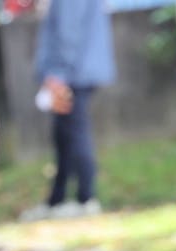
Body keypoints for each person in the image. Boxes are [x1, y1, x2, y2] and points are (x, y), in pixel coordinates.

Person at [25, 0, 115, 221]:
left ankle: (86, 198)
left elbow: (68, 32)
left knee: (75, 134)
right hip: (79, 70)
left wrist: (57, 75)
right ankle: (58, 199)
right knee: (64, 137)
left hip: (72, 73)